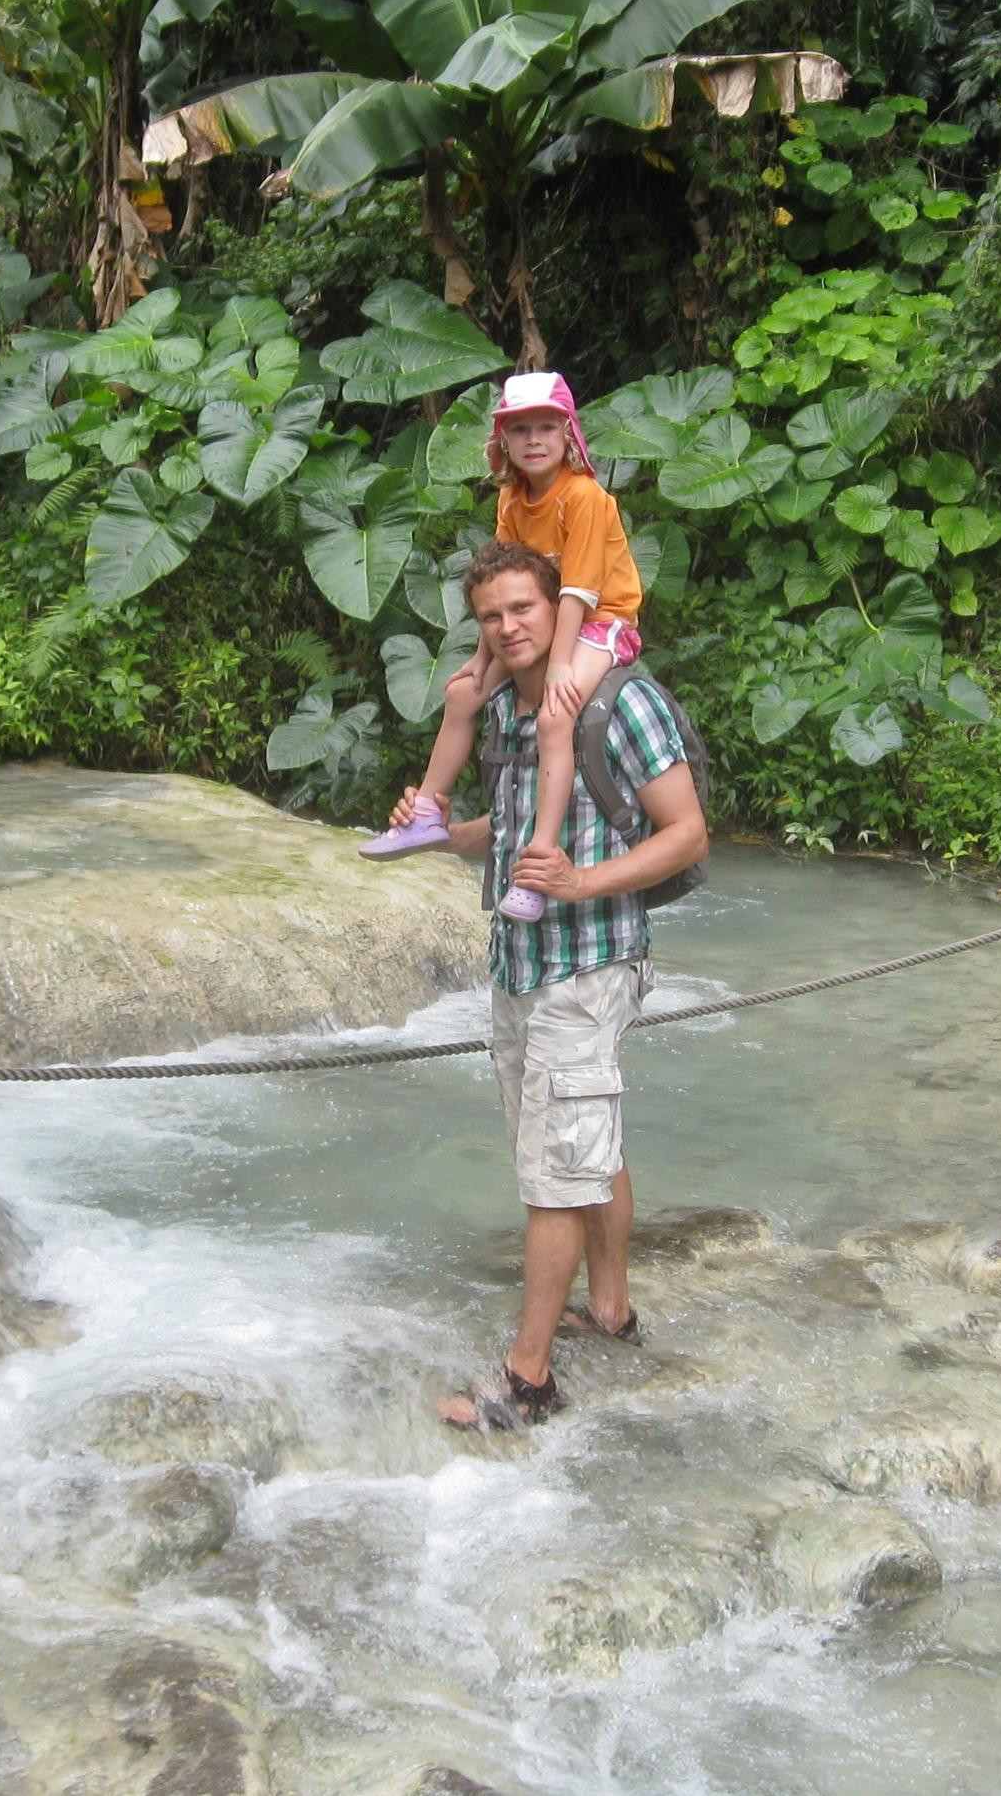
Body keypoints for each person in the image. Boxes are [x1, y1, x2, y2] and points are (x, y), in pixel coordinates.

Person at [399, 540, 708, 1433]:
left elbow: (685, 834)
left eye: (522, 609)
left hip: (589, 961)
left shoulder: (618, 702)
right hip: (521, 966)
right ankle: (609, 1311)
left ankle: (527, 1382)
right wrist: (435, 833)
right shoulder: (509, 713)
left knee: (552, 1179)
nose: (508, 627)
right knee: (581, 1148)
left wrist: (581, 882)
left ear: (557, 609)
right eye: (491, 615)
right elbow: (508, 830)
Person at [357, 371, 646, 925]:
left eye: (545, 428)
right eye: (521, 430)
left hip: (600, 620)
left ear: (566, 436)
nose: (534, 440)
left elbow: (579, 589)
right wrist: (481, 659)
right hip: (540, 620)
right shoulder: (513, 498)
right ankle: (424, 815)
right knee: (462, 694)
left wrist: (560, 665)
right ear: (504, 441)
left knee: (557, 717)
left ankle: (537, 866)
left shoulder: (583, 497)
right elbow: (505, 584)